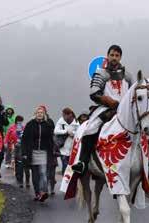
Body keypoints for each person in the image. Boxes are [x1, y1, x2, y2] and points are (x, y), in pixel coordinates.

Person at [72, 44, 133, 174]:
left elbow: (134, 94)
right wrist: (108, 101)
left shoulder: (128, 75)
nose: (114, 58)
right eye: (112, 55)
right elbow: (94, 93)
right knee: (89, 129)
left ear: (120, 57)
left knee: (146, 131)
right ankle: (83, 162)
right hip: (106, 109)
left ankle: (146, 165)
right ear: (108, 56)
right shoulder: (101, 73)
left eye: (117, 55)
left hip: (125, 110)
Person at [22, 106, 53, 202]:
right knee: (35, 174)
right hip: (33, 152)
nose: (40, 114)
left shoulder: (47, 125)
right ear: (35, 114)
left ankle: (43, 192)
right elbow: (24, 139)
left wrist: (52, 151)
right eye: (38, 112)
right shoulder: (30, 125)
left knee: (43, 173)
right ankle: (37, 193)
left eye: (41, 113)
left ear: (44, 114)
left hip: (43, 152)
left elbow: (50, 139)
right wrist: (24, 153)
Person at [4, 115, 30, 188]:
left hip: (22, 147)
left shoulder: (23, 128)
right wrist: (6, 142)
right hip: (14, 146)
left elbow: (27, 136)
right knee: (16, 161)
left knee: (22, 163)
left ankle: (23, 179)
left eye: (21, 121)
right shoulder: (12, 128)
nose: (20, 122)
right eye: (19, 121)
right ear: (16, 121)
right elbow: (7, 136)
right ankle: (18, 176)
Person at [54, 107, 79, 175]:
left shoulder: (76, 122)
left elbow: (80, 132)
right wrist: (66, 131)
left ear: (70, 115)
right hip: (63, 148)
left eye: (64, 115)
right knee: (65, 165)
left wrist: (73, 133)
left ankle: (70, 180)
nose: (63, 116)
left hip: (73, 148)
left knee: (71, 166)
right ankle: (65, 180)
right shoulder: (61, 121)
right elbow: (56, 131)